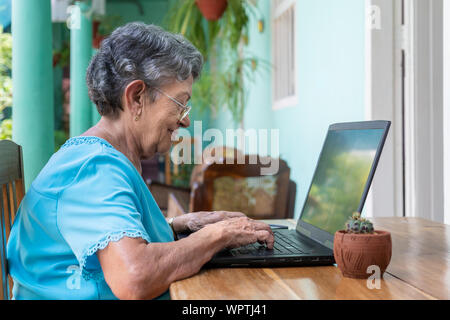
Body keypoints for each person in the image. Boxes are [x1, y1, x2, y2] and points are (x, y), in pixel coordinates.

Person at [7, 22, 274, 300]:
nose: (185, 119)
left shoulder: (101, 158)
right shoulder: (94, 169)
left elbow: (109, 243)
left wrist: (177, 225)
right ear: (136, 97)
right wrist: (217, 236)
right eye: (180, 103)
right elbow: (134, 277)